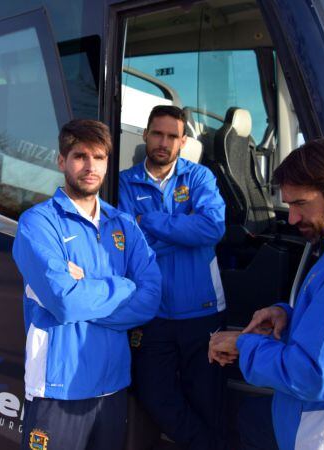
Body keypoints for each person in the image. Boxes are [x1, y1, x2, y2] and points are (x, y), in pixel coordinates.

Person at [208, 138, 324, 450]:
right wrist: (289, 315)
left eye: (300, 204)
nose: (293, 218)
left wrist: (244, 345)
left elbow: (314, 374)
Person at [12, 119, 162, 450]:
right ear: (61, 161)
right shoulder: (37, 223)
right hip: (59, 388)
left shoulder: (123, 223)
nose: (90, 166)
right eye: (80, 156)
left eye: (99, 157)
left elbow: (151, 297)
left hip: (113, 388)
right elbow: (66, 302)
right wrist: (124, 286)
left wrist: (88, 291)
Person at [118, 105, 227, 449]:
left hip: (203, 310)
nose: (163, 142)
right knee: (154, 395)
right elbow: (127, 246)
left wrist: (148, 222)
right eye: (157, 134)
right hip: (152, 313)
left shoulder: (199, 178)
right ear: (146, 135)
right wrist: (184, 231)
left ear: (182, 142)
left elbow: (212, 227)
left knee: (207, 401)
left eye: (172, 136)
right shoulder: (122, 182)